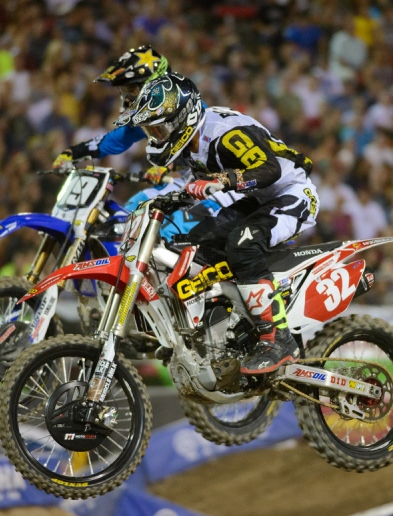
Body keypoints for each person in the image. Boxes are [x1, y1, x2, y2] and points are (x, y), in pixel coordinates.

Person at [122, 72, 318, 375]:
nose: (156, 137)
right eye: (151, 131)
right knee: (194, 244)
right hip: (259, 198)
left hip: (292, 195)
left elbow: (270, 170)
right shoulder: (192, 142)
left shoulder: (225, 135)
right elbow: (195, 182)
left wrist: (225, 180)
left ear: (181, 119)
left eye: (159, 129)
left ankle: (277, 339)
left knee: (243, 244)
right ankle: (231, 329)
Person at [52, 45, 170, 174]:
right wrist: (73, 153)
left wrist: (170, 168)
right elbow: (109, 142)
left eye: (131, 89)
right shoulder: (144, 120)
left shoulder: (181, 105)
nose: (127, 97)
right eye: (125, 90)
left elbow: (182, 147)